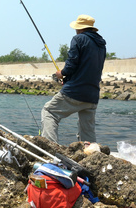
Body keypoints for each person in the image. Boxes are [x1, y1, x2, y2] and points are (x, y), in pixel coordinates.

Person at [41, 14, 106, 143]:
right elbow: (87, 68)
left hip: (75, 91)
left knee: (49, 112)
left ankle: (50, 148)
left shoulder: (78, 39)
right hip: (92, 95)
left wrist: (62, 73)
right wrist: (69, 79)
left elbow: (71, 65)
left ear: (80, 28)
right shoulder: (101, 45)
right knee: (87, 130)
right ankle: (91, 155)